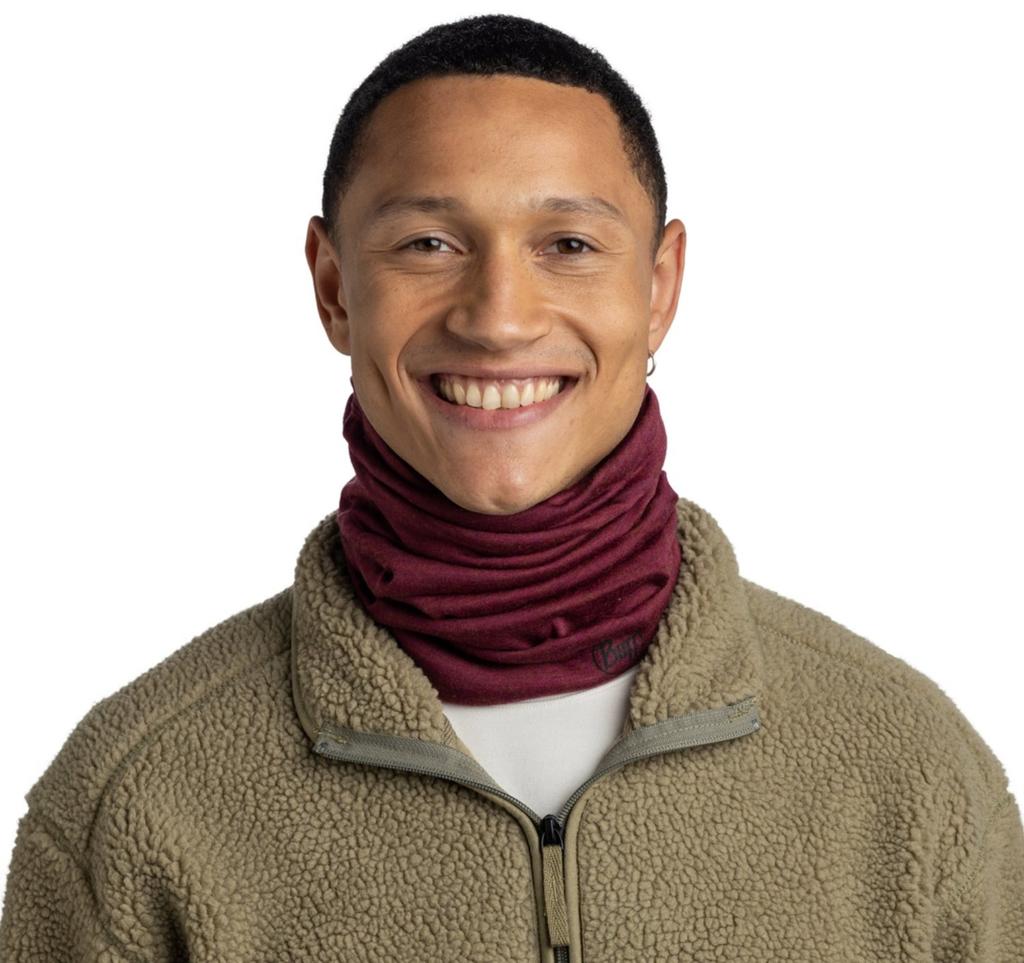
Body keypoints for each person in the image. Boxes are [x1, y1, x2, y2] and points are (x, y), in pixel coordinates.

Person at [1, 12, 1021, 961]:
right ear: (334, 287)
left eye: (568, 245)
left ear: (658, 287)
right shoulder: (137, 799)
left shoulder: (909, 770)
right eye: (428, 245)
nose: (497, 317)